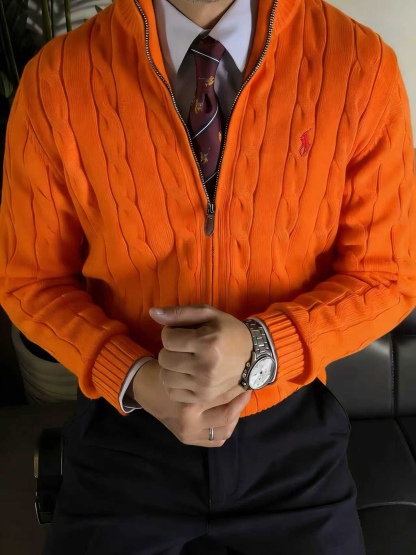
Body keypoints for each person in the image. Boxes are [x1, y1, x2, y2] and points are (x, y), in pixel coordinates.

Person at [0, 0, 415, 552]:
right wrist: (136, 376)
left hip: (291, 439)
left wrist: (264, 349)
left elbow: (387, 275)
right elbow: (30, 281)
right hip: (125, 436)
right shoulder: (55, 80)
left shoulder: (360, 66)